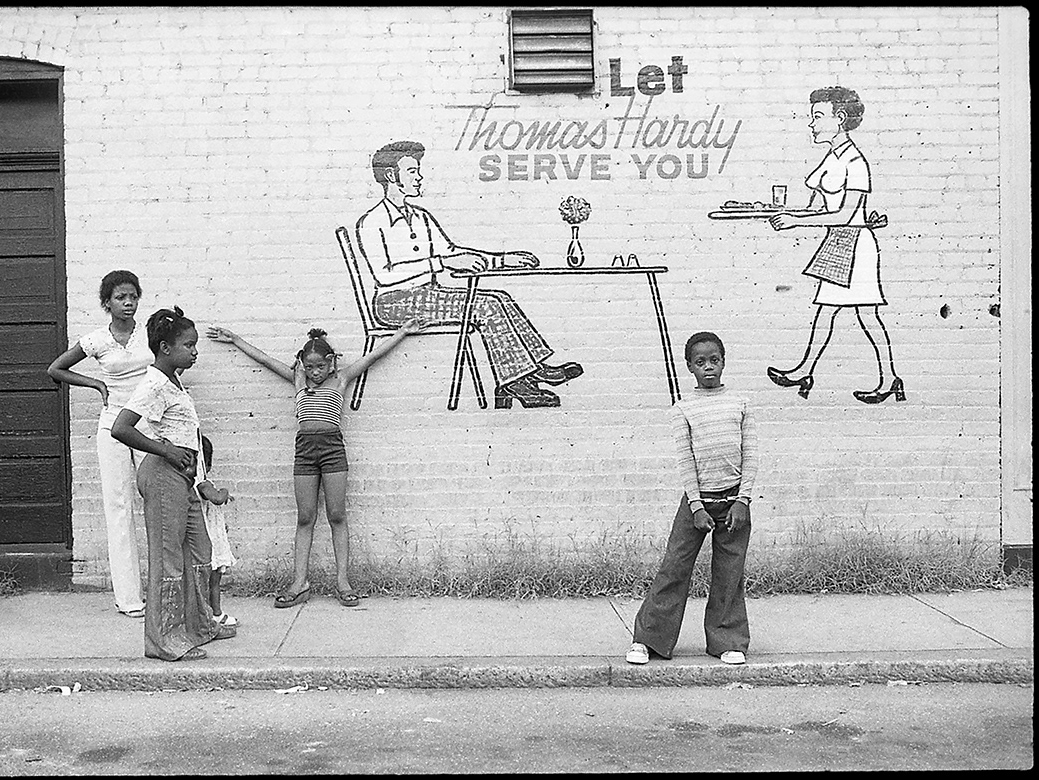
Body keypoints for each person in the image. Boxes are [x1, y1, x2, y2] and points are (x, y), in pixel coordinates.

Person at [206, 320, 422, 607]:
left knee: (337, 515)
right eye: (310, 367)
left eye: (320, 366)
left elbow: (373, 356)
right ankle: (300, 582)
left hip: (332, 449)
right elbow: (266, 360)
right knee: (305, 517)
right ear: (302, 364)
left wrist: (401, 333)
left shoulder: (341, 379)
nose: (315, 372)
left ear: (331, 362)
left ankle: (343, 582)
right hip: (305, 451)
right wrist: (235, 339)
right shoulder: (298, 380)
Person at [355, 140, 583, 409]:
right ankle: (517, 382)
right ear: (391, 176)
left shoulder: (421, 217)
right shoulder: (372, 222)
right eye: (412, 171)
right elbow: (384, 275)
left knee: (500, 297)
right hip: (393, 303)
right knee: (486, 305)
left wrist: (501, 260)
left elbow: (452, 251)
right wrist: (441, 263)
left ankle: (532, 370)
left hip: (428, 296)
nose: (419, 177)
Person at [111, 306, 235, 661]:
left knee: (200, 553)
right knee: (169, 560)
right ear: (165, 348)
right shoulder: (153, 384)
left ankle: (199, 626)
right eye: (188, 345)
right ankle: (164, 642)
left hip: (186, 479)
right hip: (163, 476)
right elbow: (121, 428)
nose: (195, 352)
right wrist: (165, 450)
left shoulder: (173, 382)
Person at [627, 331, 757, 666]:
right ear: (690, 367)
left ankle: (728, 640)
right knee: (674, 568)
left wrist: (743, 500)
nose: (708, 367)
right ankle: (649, 639)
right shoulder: (684, 409)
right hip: (697, 504)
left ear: (724, 362)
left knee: (729, 574)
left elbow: (751, 455)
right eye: (700, 362)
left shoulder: (740, 404)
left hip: (734, 504)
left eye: (714, 360)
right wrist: (696, 506)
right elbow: (686, 461)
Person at [768, 86, 905, 404]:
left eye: (818, 116)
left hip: (855, 245)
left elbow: (845, 215)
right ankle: (809, 371)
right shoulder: (832, 158)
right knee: (831, 310)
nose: (812, 123)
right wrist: (784, 213)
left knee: (863, 314)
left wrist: (796, 221)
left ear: (839, 118)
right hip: (839, 242)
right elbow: (819, 208)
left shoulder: (855, 162)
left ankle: (886, 379)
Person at [47, 270, 149, 618]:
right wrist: (95, 384)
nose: (128, 303)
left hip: (148, 425)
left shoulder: (149, 334)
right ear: (107, 303)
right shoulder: (96, 340)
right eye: (121, 298)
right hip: (113, 426)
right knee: (118, 508)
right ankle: (129, 598)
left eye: (133, 296)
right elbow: (56, 369)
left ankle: (165, 588)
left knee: (157, 501)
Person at [196, 434, 238, 628]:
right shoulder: (203, 484)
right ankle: (215, 614)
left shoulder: (195, 484)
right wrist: (225, 491)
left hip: (212, 538)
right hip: (210, 544)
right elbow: (217, 498)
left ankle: (209, 614)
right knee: (213, 582)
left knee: (209, 582)